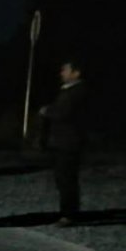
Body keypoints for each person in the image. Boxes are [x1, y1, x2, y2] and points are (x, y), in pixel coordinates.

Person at [39, 59, 88, 226]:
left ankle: (69, 214)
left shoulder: (78, 91)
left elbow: (63, 112)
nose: (61, 73)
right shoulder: (68, 90)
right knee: (62, 178)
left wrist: (47, 111)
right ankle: (67, 211)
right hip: (61, 141)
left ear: (76, 72)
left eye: (65, 70)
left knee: (67, 179)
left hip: (69, 141)